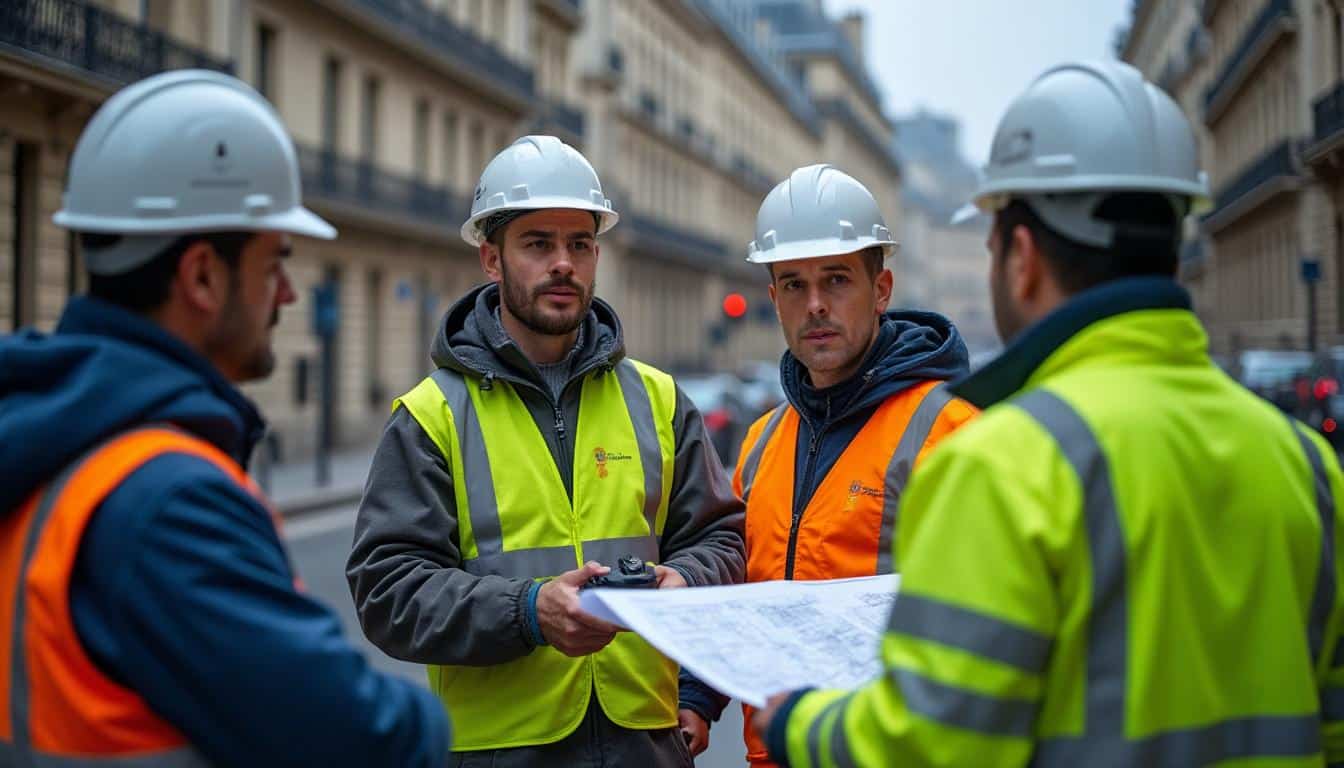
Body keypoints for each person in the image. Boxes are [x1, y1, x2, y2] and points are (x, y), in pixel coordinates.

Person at [752, 58, 1344, 767]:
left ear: (1022, 256)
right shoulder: (1305, 462)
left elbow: (934, 742)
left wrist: (797, 724)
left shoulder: (1005, 466)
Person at [0, 70, 449, 766]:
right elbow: (362, 739)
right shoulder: (167, 501)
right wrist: (435, 728)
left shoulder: (48, 432)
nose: (288, 294)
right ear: (203, 276)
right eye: (275, 264)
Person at [346, 135, 746, 767]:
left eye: (580, 244)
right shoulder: (432, 416)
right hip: (501, 754)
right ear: (491, 258)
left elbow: (723, 540)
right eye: (538, 243)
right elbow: (388, 591)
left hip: (646, 748)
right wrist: (528, 611)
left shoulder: (659, 399)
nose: (564, 263)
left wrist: (687, 580)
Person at [680, 164, 978, 765]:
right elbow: (748, 595)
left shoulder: (950, 431)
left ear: (882, 289)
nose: (814, 305)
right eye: (793, 284)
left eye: (836, 280)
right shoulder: (762, 442)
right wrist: (696, 696)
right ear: (773, 300)